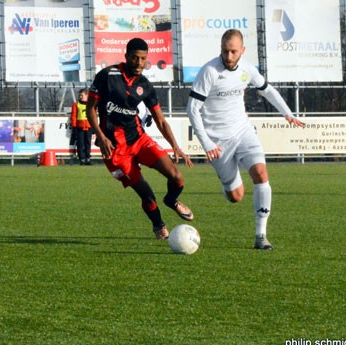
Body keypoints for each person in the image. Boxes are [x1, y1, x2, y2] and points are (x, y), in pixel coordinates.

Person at [186, 29, 305, 250]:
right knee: (236, 196)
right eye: (225, 51)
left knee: (261, 173)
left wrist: (287, 113)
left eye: (233, 51)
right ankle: (229, 186)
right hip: (218, 141)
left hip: (243, 131)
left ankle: (261, 236)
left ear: (242, 50)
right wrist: (207, 144)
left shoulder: (248, 69)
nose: (229, 57)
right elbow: (192, 109)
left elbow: (267, 91)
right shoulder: (209, 71)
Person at [87, 37, 194, 240]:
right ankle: (159, 226)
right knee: (147, 194)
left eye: (143, 59)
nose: (138, 63)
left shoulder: (145, 85)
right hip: (115, 150)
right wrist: (100, 136)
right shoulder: (107, 76)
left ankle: (172, 201)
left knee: (177, 176)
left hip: (139, 140)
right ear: (126, 56)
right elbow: (90, 108)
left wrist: (176, 147)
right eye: (135, 58)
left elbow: (160, 121)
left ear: (146, 59)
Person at [71, 88, 93, 165]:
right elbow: (74, 116)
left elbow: (93, 116)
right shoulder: (76, 105)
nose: (80, 97)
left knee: (88, 143)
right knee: (80, 144)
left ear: (87, 95)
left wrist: (94, 126)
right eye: (80, 95)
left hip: (88, 126)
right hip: (79, 127)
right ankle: (82, 159)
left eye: (82, 95)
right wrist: (74, 125)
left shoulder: (91, 105)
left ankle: (88, 158)